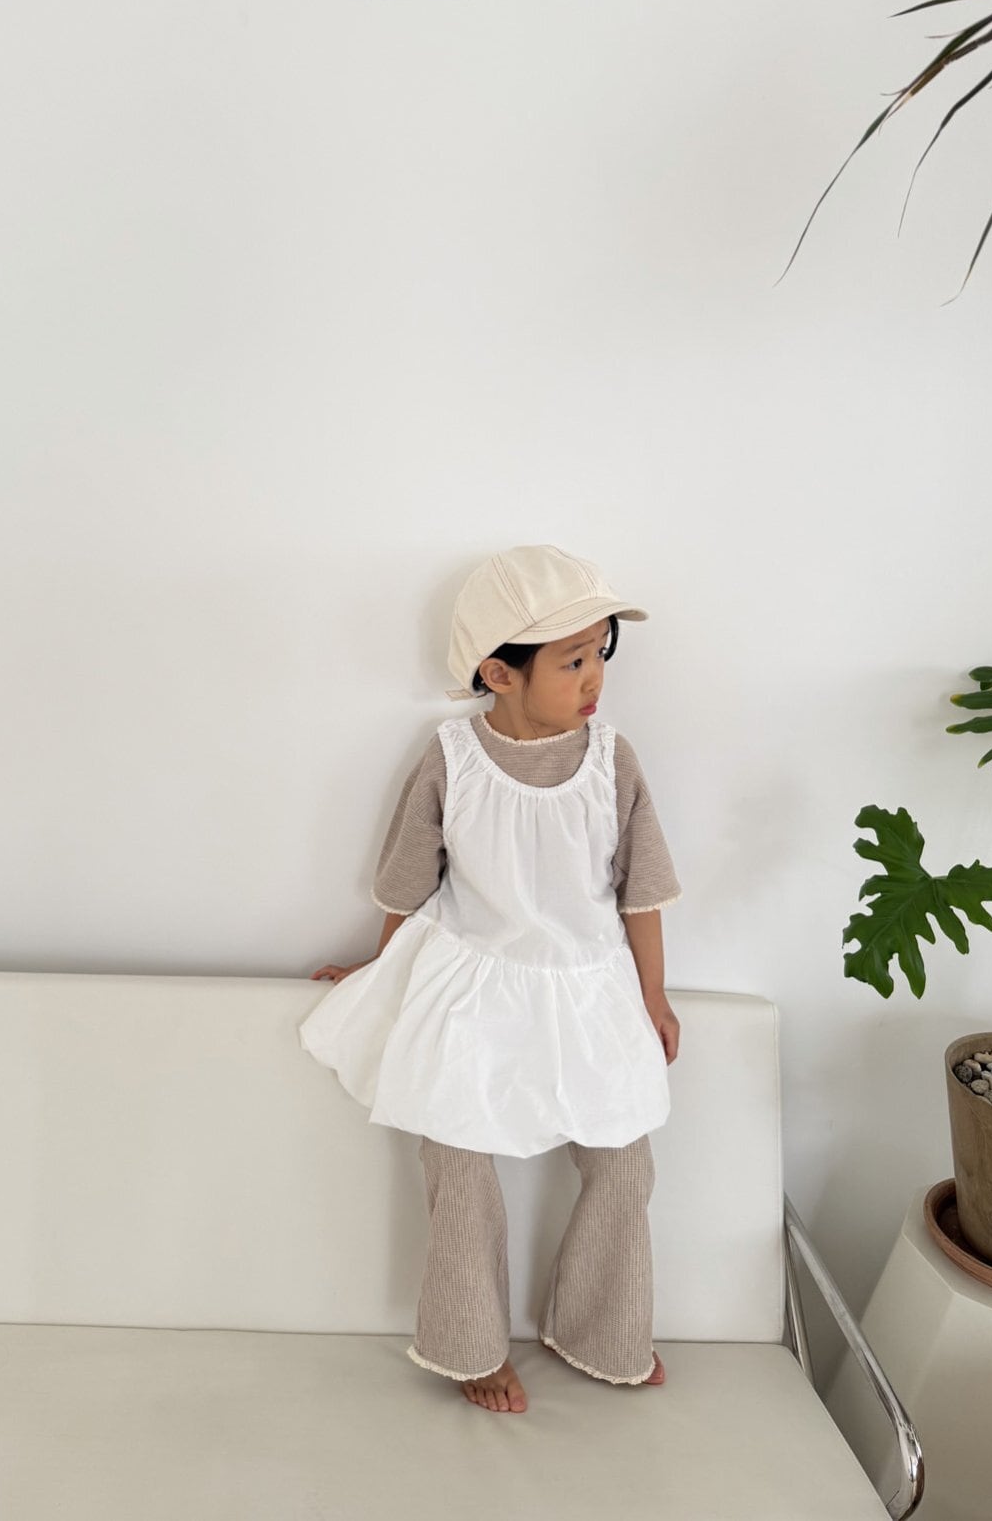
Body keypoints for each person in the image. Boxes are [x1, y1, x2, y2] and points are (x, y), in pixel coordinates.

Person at [299, 544, 682, 1416]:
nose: (595, 678)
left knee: (624, 1164)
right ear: (499, 673)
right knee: (459, 1163)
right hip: (470, 989)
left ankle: (603, 1329)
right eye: (572, 661)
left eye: (600, 654)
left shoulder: (613, 761)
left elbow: (644, 891)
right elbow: (408, 880)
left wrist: (652, 997)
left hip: (588, 987)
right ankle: (470, 1344)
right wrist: (377, 967)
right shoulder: (451, 758)